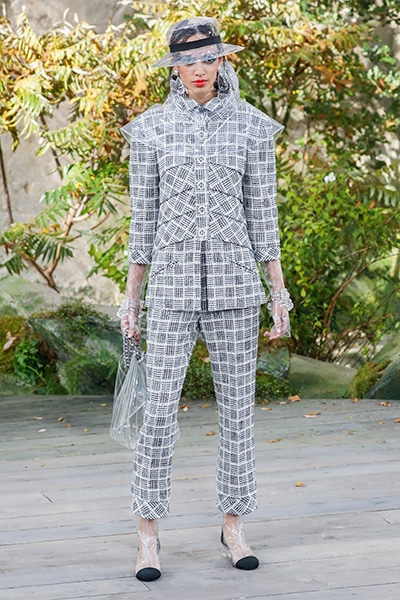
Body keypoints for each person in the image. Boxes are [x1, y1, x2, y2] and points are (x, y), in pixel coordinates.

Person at [118, 16, 293, 582]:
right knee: (158, 413)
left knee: (238, 413)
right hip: (170, 288)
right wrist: (132, 302)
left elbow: (264, 216)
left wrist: (279, 295)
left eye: (208, 58)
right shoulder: (150, 129)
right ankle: (148, 535)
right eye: (187, 60)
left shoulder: (252, 127)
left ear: (222, 61)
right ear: (174, 67)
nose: (198, 69)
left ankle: (233, 525)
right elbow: (142, 223)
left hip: (236, 286)